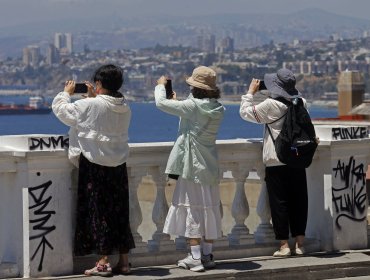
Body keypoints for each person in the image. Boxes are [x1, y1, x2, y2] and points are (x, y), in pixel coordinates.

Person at [52, 64, 135, 276]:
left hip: (95, 164)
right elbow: (100, 114)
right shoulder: (125, 107)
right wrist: (91, 98)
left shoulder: (90, 105)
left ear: (98, 84)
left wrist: (66, 94)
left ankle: (103, 262)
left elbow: (64, 112)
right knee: (119, 211)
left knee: (99, 211)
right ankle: (124, 262)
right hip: (118, 165)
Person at [154, 66, 225, 272]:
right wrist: (179, 104)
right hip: (209, 165)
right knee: (209, 210)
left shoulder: (192, 107)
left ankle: (194, 258)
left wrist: (160, 87)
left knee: (192, 209)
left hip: (192, 166)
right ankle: (207, 254)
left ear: (195, 88)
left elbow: (161, 103)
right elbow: (194, 118)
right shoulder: (218, 108)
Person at [239, 68, 308, 257]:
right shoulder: (301, 102)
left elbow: (245, 113)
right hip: (297, 159)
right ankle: (300, 244)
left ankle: (284, 245)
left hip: (276, 160)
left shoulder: (270, 105)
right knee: (299, 202)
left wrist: (250, 93)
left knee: (279, 203)